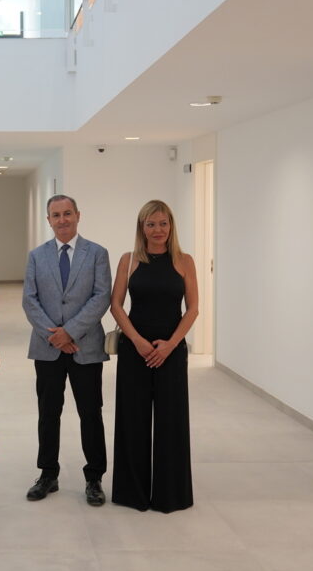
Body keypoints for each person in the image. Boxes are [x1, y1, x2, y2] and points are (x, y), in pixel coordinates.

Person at [22, 194, 112, 506]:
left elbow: (101, 297)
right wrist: (55, 336)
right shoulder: (37, 256)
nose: (62, 220)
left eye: (67, 213)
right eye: (56, 215)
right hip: (47, 348)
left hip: (85, 347)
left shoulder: (97, 253)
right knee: (48, 413)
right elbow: (29, 300)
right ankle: (48, 474)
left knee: (90, 413)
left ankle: (94, 477)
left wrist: (70, 332)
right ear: (48, 220)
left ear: (78, 215)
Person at [110, 199, 199, 512]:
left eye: (163, 223)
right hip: (135, 350)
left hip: (170, 352)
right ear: (142, 227)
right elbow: (116, 305)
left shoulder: (184, 261)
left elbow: (193, 309)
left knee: (171, 423)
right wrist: (137, 340)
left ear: (171, 226)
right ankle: (131, 493)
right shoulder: (129, 260)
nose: (157, 230)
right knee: (132, 421)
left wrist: (171, 344)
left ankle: (170, 495)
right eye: (151, 224)